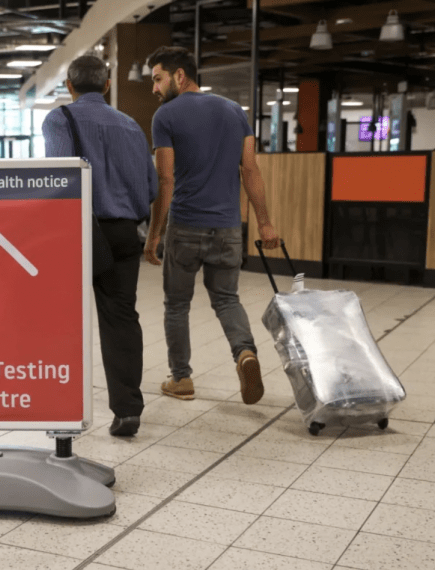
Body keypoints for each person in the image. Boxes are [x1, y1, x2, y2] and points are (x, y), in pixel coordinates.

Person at [143, 46, 280, 405]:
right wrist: (264, 224)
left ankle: (182, 379)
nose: (154, 89)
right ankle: (245, 354)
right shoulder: (235, 112)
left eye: (157, 79)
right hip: (228, 228)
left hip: (186, 225)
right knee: (226, 298)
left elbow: (166, 180)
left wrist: (154, 233)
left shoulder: (165, 117)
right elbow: (250, 169)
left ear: (179, 76)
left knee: (177, 305)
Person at [42, 55, 158, 437]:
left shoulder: (60, 119)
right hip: (124, 233)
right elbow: (151, 189)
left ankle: (58, 405)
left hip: (77, 233)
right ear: (107, 85)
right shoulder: (131, 125)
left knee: (60, 319)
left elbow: (58, 181)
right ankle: (127, 410)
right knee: (121, 318)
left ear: (70, 87)